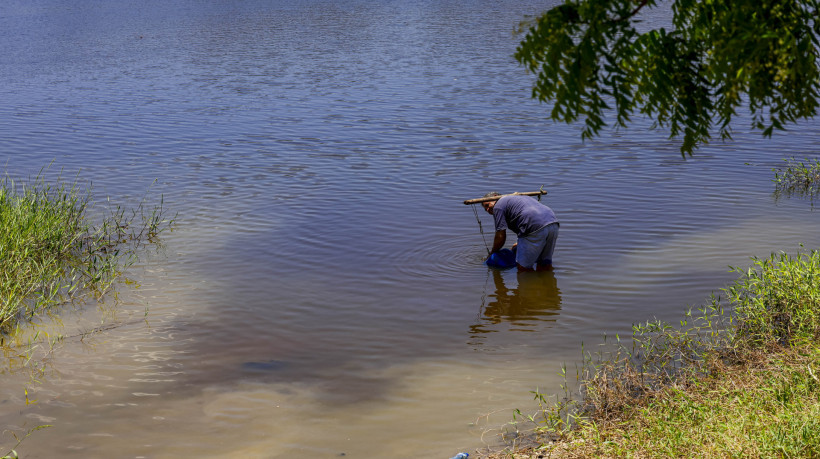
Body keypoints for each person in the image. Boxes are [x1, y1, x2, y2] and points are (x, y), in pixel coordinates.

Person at [482, 192, 559, 272]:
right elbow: (522, 216)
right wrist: (520, 242)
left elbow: (500, 236)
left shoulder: (498, 206)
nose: (487, 210)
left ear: (495, 197)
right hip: (552, 222)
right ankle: (546, 282)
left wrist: (492, 253)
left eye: (487, 205)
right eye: (485, 209)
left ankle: (530, 284)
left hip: (534, 226)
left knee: (523, 268)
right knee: (544, 263)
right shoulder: (517, 198)